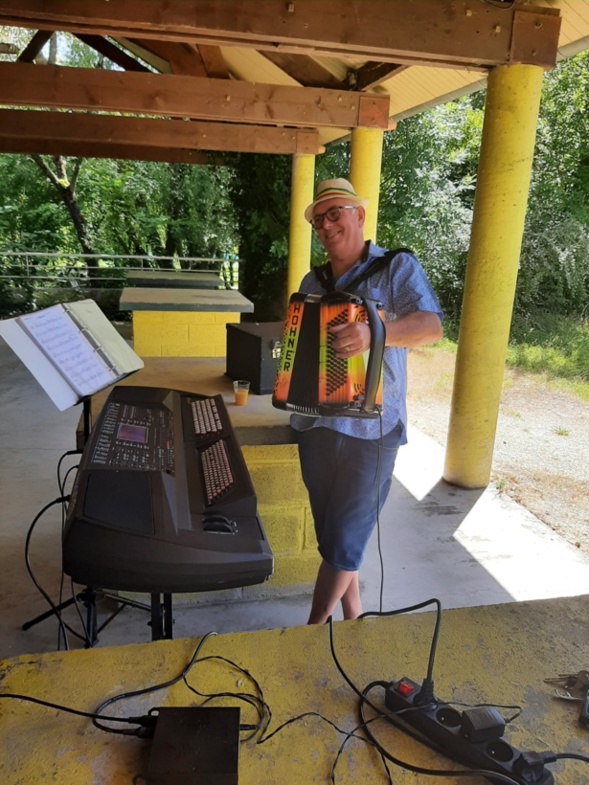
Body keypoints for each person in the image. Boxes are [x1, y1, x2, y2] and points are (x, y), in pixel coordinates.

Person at [291, 178, 443, 624]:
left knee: (344, 540)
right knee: (335, 537)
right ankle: (354, 619)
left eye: (335, 213)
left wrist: (374, 332)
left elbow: (431, 328)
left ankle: (312, 630)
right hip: (315, 425)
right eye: (319, 219)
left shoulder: (396, 268)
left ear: (359, 215)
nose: (326, 224)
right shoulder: (311, 281)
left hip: (372, 430)